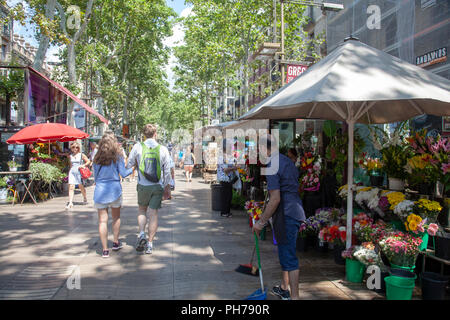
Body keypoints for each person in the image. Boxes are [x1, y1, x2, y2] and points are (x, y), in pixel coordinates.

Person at [252, 135, 306, 300]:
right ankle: (284, 287)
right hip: (294, 211)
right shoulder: (287, 160)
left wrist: (261, 223)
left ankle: (294, 297)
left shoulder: (271, 164)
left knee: (289, 258)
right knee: (285, 252)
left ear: (264, 149)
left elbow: (275, 198)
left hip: (287, 214)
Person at [127, 124, 172, 254]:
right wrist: (167, 187)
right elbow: (167, 170)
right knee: (153, 214)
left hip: (142, 185)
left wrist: (136, 161)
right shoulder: (163, 149)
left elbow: (129, 164)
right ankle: (150, 244)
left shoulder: (137, 147)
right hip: (157, 186)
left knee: (142, 210)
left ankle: (142, 234)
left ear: (143, 134)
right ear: (155, 134)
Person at [92, 134, 133, 258]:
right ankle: (115, 242)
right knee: (116, 218)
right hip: (115, 190)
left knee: (102, 221)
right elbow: (124, 174)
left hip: (100, 191)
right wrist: (133, 168)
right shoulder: (118, 157)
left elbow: (95, 176)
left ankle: (105, 250)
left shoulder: (96, 158)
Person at [66, 141, 91, 209]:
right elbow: (70, 165)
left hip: (79, 172)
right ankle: (70, 202)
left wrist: (83, 165)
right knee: (71, 186)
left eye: (77, 147)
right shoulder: (70, 156)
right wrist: (69, 172)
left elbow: (88, 161)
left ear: (79, 148)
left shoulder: (81, 155)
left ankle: (84, 197)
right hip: (72, 172)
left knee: (81, 186)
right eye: (73, 147)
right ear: (71, 148)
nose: (75, 149)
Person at [217, 139, 238, 218]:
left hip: (225, 179)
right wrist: (235, 168)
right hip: (225, 179)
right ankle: (225, 212)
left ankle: (226, 212)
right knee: (226, 196)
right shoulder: (223, 157)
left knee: (227, 196)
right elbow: (225, 170)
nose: (231, 147)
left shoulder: (223, 156)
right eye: (230, 146)